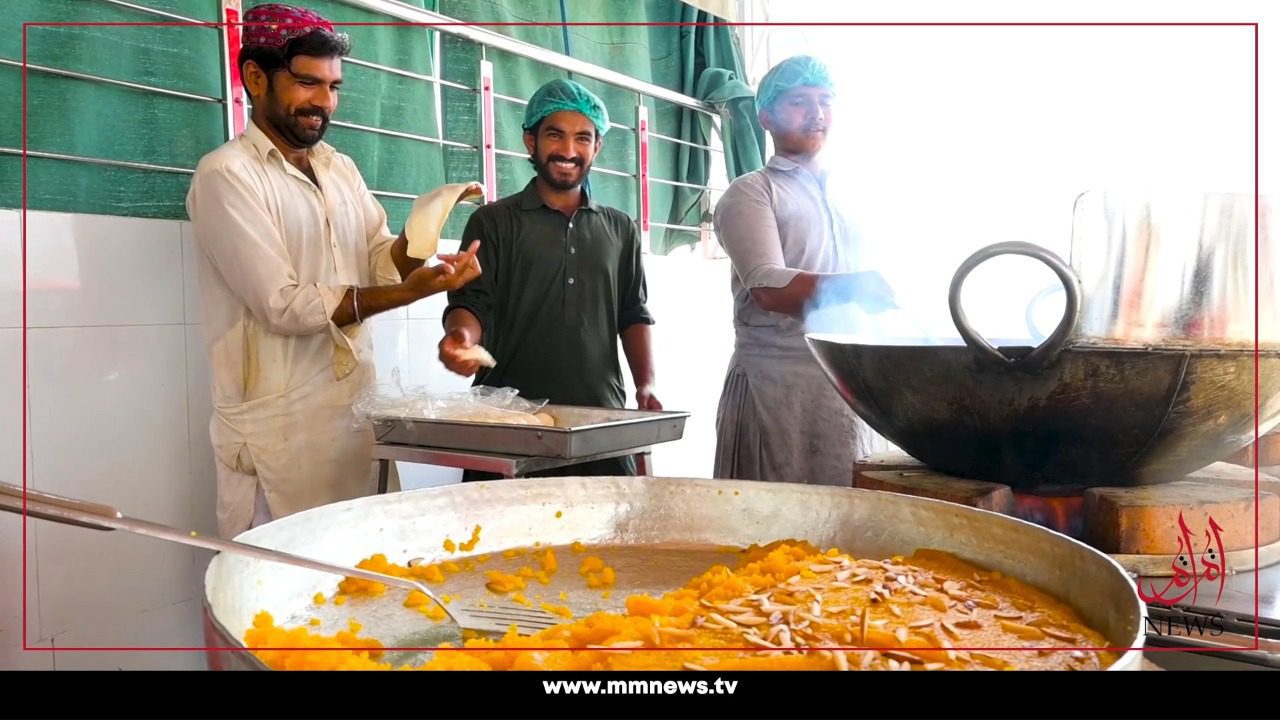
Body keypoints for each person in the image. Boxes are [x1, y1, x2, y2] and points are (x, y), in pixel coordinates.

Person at [186, 3, 482, 537]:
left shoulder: (337, 167)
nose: (324, 102)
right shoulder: (226, 176)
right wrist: (409, 294)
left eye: (334, 86)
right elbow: (286, 306)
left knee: (361, 589)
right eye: (307, 83)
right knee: (280, 602)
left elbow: (378, 260)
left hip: (350, 429)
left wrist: (427, 230)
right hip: (278, 442)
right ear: (255, 77)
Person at [437, 78, 660, 480]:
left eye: (583, 138)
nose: (569, 151)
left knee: (605, 538)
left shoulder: (621, 228)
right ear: (530, 141)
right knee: (506, 540)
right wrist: (461, 339)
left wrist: (646, 384)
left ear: (598, 147)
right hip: (507, 423)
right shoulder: (493, 221)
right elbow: (471, 304)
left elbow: (633, 313)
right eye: (555, 135)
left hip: (600, 423)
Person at [712, 55, 896, 487]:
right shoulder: (752, 192)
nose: (816, 113)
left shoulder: (845, 197)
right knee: (770, 527)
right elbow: (767, 288)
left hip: (845, 386)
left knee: (843, 531)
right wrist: (855, 288)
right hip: (775, 390)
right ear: (765, 117)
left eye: (825, 101)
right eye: (799, 102)